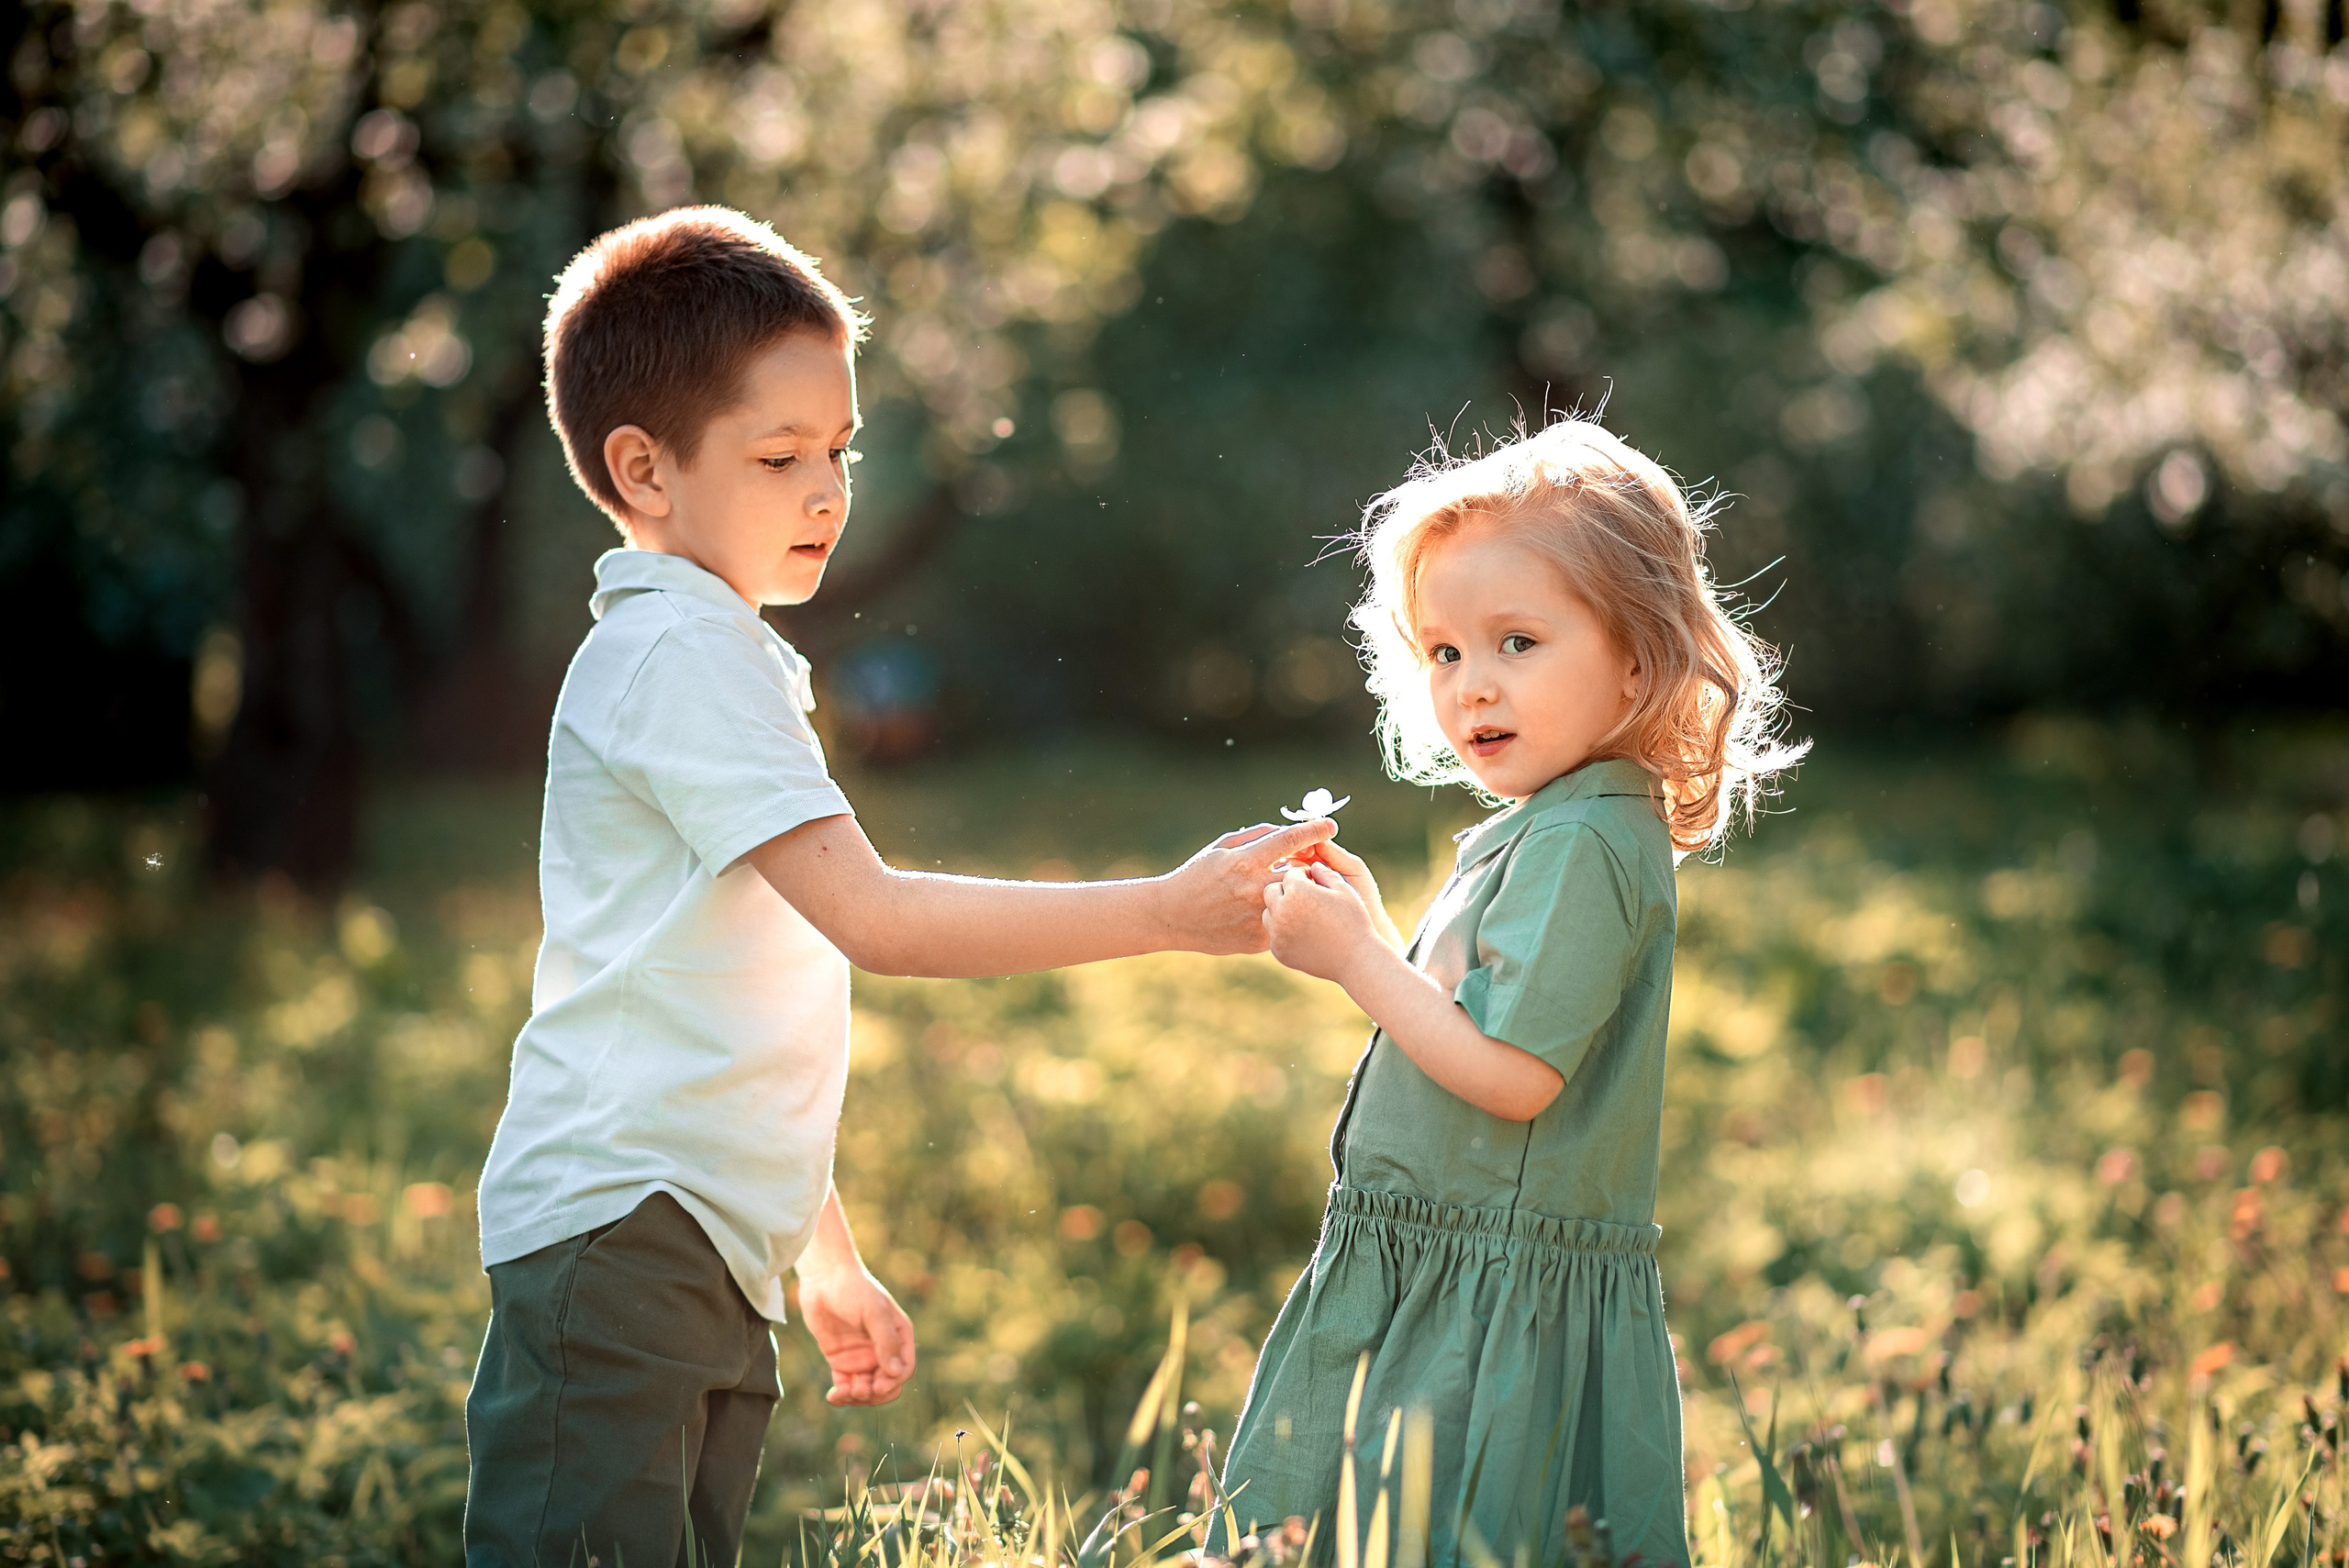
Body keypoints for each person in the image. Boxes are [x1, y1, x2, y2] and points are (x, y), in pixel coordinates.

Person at [462, 206, 1334, 1568]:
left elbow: (745, 990)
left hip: (697, 1242)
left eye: (841, 451)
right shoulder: (673, 660)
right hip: (618, 1240)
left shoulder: (723, 655)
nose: (827, 491)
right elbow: (875, 919)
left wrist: (823, 1251)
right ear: (643, 469)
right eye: (779, 455)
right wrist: (1162, 912)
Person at [1219, 417, 1805, 1567]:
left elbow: (1516, 1078)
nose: (1472, 684)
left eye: (1517, 642)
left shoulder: (1582, 845)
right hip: (1451, 1267)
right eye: (1442, 653)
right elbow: (1478, 1019)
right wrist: (1383, 935)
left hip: (1491, 1294)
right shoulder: (1552, 827)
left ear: (1637, 658)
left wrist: (1356, 961)